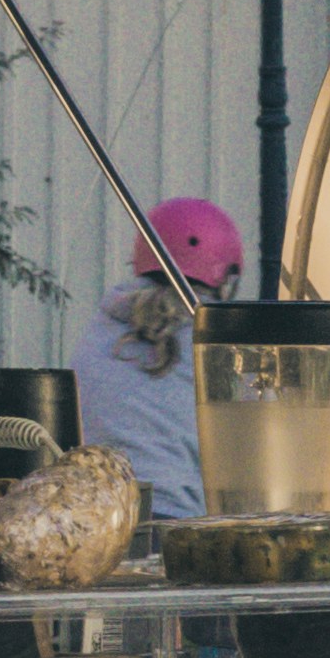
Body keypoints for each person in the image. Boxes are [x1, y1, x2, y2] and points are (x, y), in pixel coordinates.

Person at [75, 200, 238, 522]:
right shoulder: (217, 345)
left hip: (99, 523)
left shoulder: (97, 332)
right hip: (181, 525)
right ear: (225, 277)